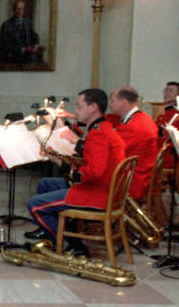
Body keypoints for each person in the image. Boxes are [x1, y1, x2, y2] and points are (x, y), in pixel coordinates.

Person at [26, 88, 126, 256]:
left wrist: (69, 171)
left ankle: (73, 243)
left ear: (93, 107)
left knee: (34, 205)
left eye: (79, 106)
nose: (76, 111)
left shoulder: (98, 134)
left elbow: (93, 172)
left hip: (97, 194)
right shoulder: (104, 127)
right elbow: (93, 162)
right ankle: (52, 236)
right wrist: (57, 159)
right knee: (45, 184)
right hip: (105, 189)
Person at [108, 86, 159, 203]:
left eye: (112, 100)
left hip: (135, 181)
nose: (110, 104)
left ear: (123, 102)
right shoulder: (141, 118)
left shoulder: (135, 125)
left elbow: (111, 149)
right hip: (140, 174)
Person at [0, 0, 42, 64]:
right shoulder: (6, 25)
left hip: (29, 54)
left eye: (22, 9)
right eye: (17, 9)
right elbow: (5, 45)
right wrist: (23, 49)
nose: (20, 11)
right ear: (13, 10)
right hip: (14, 55)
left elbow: (35, 36)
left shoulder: (28, 22)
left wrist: (35, 46)